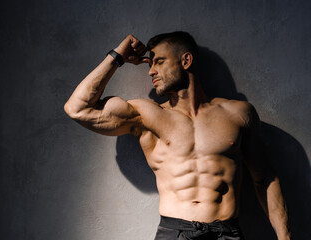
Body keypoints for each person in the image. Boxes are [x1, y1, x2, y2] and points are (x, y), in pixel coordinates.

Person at [64, 32, 290, 240]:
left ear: (186, 61)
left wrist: (285, 237)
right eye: (150, 63)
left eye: (159, 61)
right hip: (175, 233)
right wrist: (117, 56)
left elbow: (265, 178)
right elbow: (77, 109)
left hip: (226, 233)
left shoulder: (238, 113)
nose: (151, 71)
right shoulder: (148, 115)